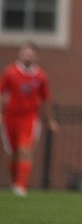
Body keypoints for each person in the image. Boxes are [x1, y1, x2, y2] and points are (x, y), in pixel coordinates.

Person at [1, 42, 58, 196]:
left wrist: (50, 120)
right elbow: (2, 94)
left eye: (30, 53)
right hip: (10, 117)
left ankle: (21, 185)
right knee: (12, 152)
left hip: (29, 118)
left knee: (24, 149)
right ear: (20, 54)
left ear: (35, 55)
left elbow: (46, 99)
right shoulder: (10, 72)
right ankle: (15, 182)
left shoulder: (40, 76)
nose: (27, 55)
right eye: (25, 52)